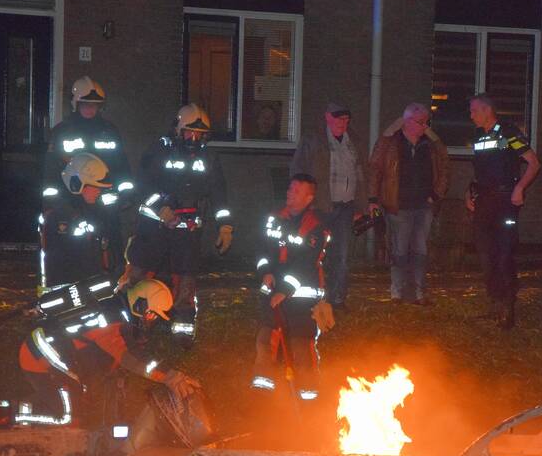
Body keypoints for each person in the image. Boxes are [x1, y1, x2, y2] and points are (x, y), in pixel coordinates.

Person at [0, 276, 199, 429]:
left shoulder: (115, 306)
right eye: (152, 315)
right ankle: (5, 413)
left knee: (70, 399)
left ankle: (13, 409)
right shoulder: (110, 323)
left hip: (47, 350)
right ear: (142, 306)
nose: (151, 321)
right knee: (67, 417)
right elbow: (132, 360)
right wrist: (169, 377)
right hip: (41, 354)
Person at [126, 103, 232, 346]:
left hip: (187, 235)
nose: (194, 139)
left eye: (199, 134)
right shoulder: (159, 151)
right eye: (189, 133)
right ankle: (136, 324)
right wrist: (160, 208)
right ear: (178, 130)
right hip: (153, 230)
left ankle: (182, 329)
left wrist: (225, 226)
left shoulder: (208, 158)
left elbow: (219, 194)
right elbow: (142, 186)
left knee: (185, 282)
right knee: (140, 276)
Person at [251, 173, 334, 402]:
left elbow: (306, 264)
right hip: (273, 295)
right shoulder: (274, 219)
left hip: (301, 300)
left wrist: (284, 290)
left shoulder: (316, 228)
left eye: (296, 191)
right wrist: (265, 271)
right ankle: (263, 392)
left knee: (300, 346)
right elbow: (261, 249)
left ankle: (308, 397)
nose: (290, 193)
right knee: (265, 340)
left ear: (309, 198)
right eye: (289, 189)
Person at [42, 77, 134, 273]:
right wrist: (56, 203)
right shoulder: (62, 132)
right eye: (85, 104)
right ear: (75, 103)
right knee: (73, 250)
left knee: (110, 249)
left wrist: (124, 195)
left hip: (105, 203)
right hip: (73, 204)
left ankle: (110, 293)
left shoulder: (109, 132)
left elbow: (121, 167)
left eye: (95, 105)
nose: (90, 109)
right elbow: (51, 171)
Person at [465, 93, 541, 329]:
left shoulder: (509, 133)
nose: (471, 116)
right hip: (484, 201)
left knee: (503, 255)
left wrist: (519, 188)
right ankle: (494, 303)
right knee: (485, 255)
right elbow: (480, 170)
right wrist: (470, 192)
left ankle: (507, 308)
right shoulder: (478, 136)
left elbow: (533, 162)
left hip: (505, 200)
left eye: (474, 111)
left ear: (487, 110)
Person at [290, 101, 369, 311]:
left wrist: (362, 204)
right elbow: (299, 169)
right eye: (338, 118)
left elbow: (361, 174)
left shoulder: (354, 142)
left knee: (341, 255)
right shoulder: (314, 139)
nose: (343, 123)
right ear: (328, 117)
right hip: (320, 206)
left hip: (345, 207)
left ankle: (337, 298)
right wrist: (303, 201)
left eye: (346, 119)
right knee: (313, 252)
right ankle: (310, 296)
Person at [369, 103, 449, 304]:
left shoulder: (429, 146)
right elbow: (376, 166)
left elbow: (445, 166)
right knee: (399, 250)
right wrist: (373, 199)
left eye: (427, 122)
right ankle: (397, 293)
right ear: (407, 122)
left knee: (421, 251)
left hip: (424, 206)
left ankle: (420, 293)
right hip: (399, 205)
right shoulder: (392, 144)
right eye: (421, 122)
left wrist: (436, 194)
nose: (425, 126)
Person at [39, 153, 113, 291]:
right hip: (67, 289)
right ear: (77, 184)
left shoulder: (94, 213)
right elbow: (56, 259)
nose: (99, 192)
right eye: (95, 187)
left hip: (90, 285)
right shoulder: (59, 216)